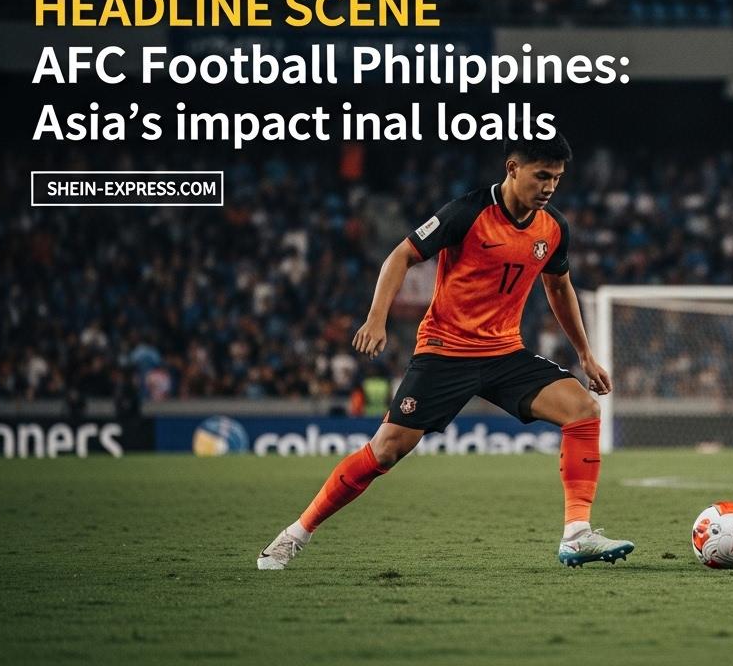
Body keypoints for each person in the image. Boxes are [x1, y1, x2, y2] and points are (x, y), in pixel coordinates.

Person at [257, 134, 635, 569]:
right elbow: (400, 256)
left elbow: (558, 286)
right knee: (385, 451)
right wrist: (377, 318)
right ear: (513, 169)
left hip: (504, 353)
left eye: (558, 178)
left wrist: (585, 354)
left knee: (582, 409)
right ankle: (294, 534)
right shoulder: (468, 211)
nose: (550, 187)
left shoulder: (553, 228)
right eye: (542, 175)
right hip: (446, 351)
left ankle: (576, 534)